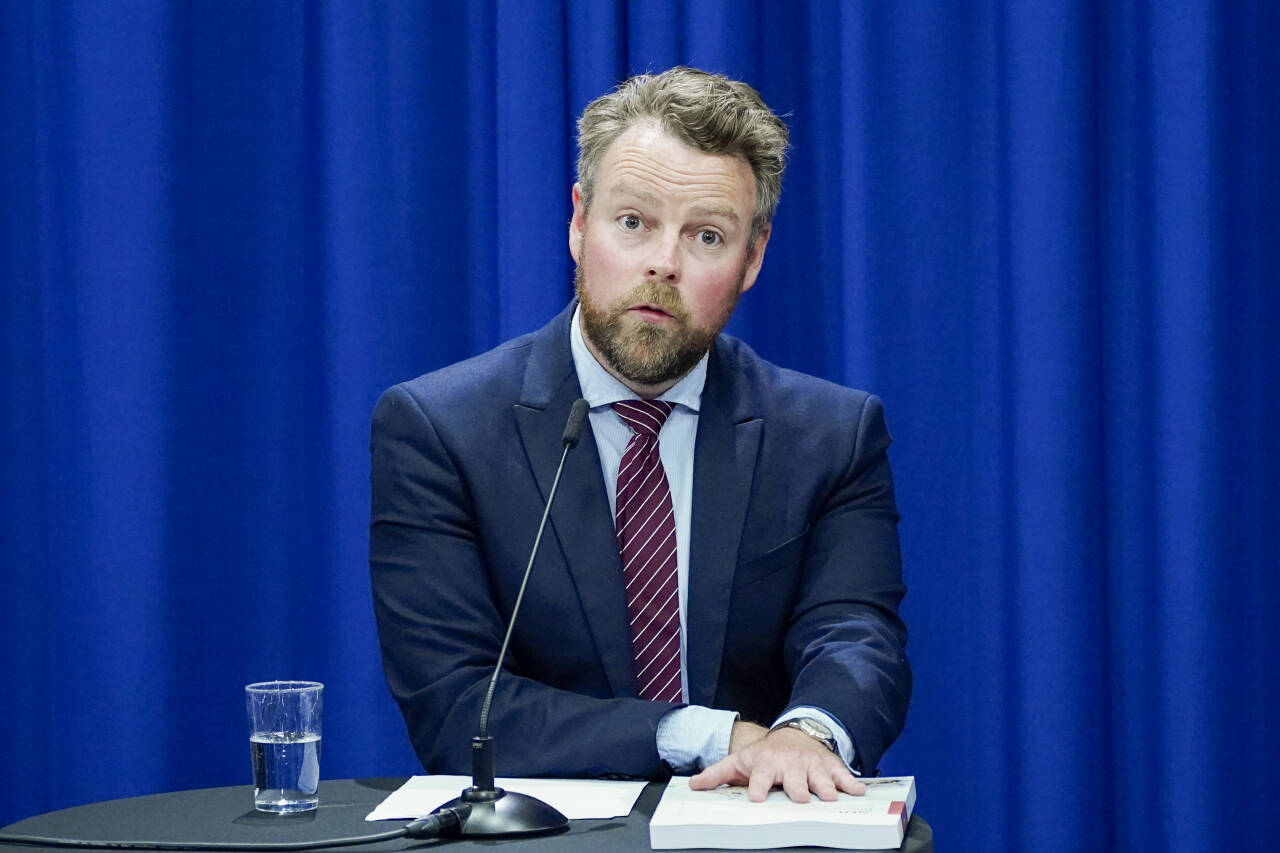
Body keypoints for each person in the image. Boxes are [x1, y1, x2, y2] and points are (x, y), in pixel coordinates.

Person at [370, 66, 910, 804]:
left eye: (707, 235)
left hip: (752, 825)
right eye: (633, 223)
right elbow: (458, 705)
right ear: (578, 220)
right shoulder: (440, 430)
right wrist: (712, 734)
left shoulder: (828, 436)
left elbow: (854, 633)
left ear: (752, 259)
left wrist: (808, 733)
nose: (663, 262)